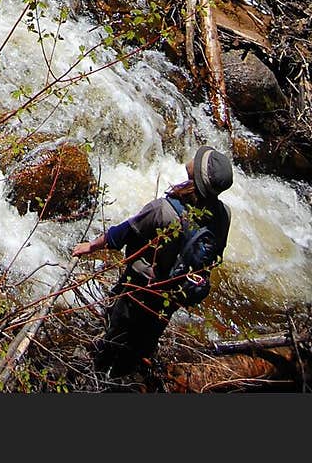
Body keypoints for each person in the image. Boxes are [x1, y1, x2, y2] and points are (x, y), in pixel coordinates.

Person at [72, 144, 233, 375]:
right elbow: (215, 256)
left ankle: (100, 377)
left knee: (114, 337)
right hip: (171, 296)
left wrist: (90, 247)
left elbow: (121, 234)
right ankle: (129, 373)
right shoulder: (224, 215)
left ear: (195, 176)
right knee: (143, 342)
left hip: (138, 289)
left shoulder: (164, 210)